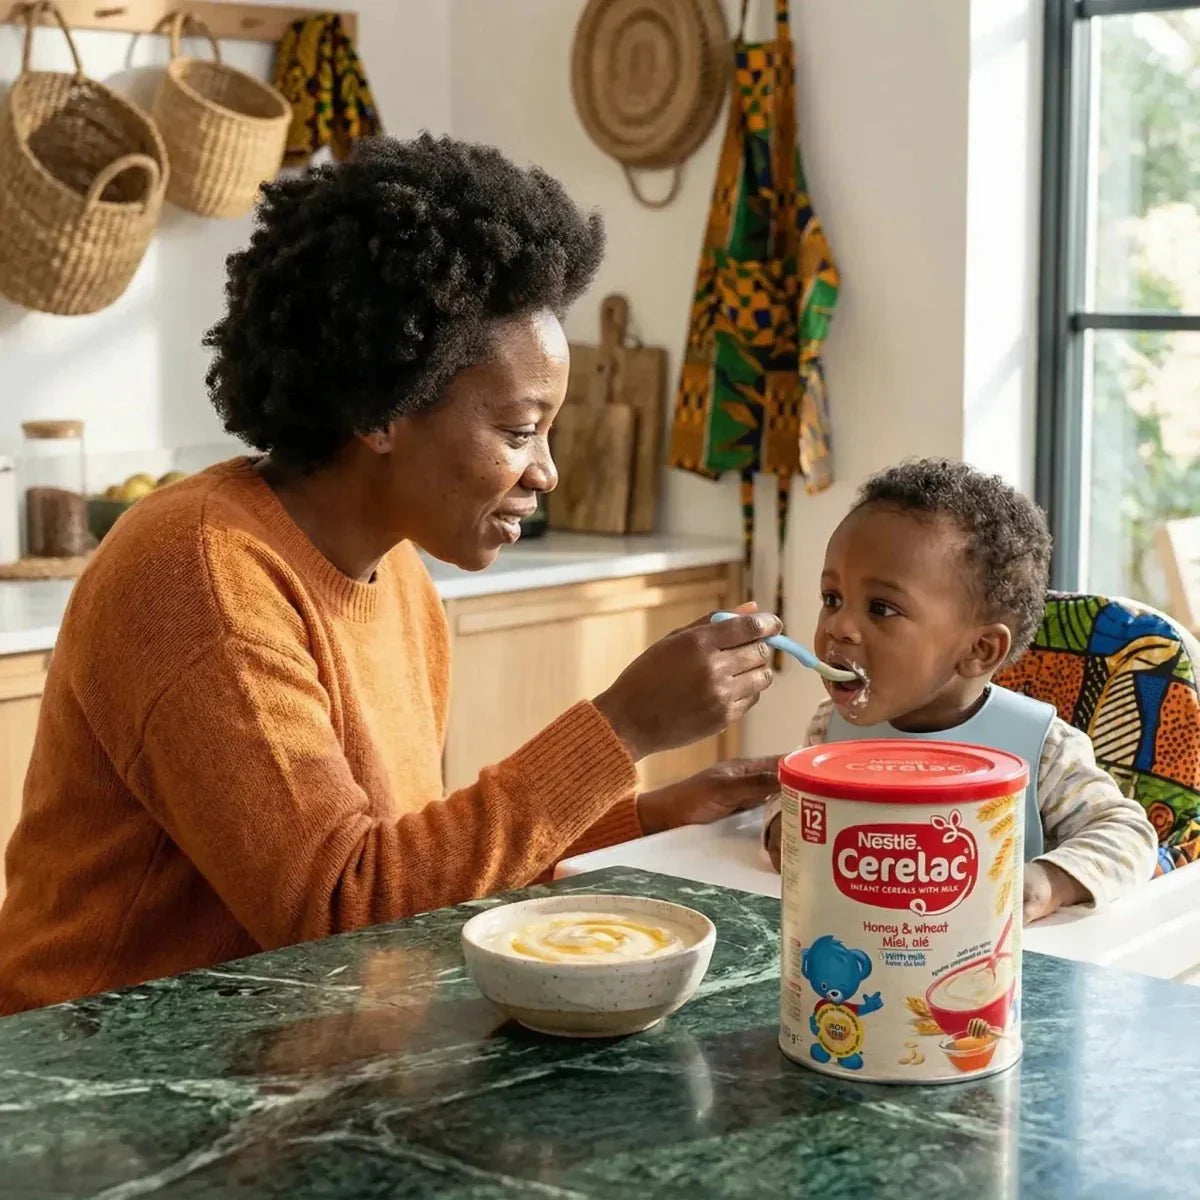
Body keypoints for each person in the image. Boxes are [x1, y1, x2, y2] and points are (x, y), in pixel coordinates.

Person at [0, 135, 781, 1015]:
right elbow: (341, 907)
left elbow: (407, 861)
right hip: (91, 1075)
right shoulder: (199, 573)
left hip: (279, 1045)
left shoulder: (397, 575)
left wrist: (647, 815)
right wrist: (621, 728)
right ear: (382, 411)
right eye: (521, 430)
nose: (548, 471)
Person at [762, 459, 1158, 923]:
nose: (840, 627)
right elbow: (791, 808)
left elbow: (1128, 834)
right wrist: (779, 829)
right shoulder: (828, 728)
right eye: (833, 599)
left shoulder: (1042, 750)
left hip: (993, 966)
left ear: (979, 650)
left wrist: (1049, 882)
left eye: (881, 608)